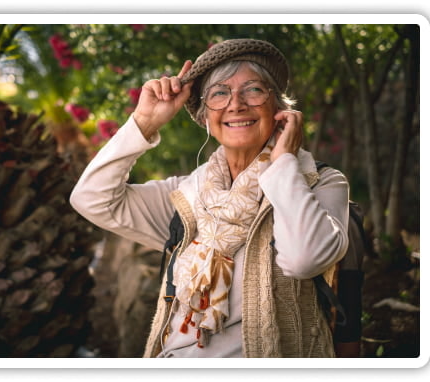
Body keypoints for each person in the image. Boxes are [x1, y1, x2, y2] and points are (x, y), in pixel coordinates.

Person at [70, 38, 350, 358]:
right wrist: (145, 123)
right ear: (205, 118)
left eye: (253, 89)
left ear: (279, 109)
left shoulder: (319, 183)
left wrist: (284, 162)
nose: (236, 104)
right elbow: (91, 199)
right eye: (219, 93)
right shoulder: (187, 195)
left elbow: (305, 259)